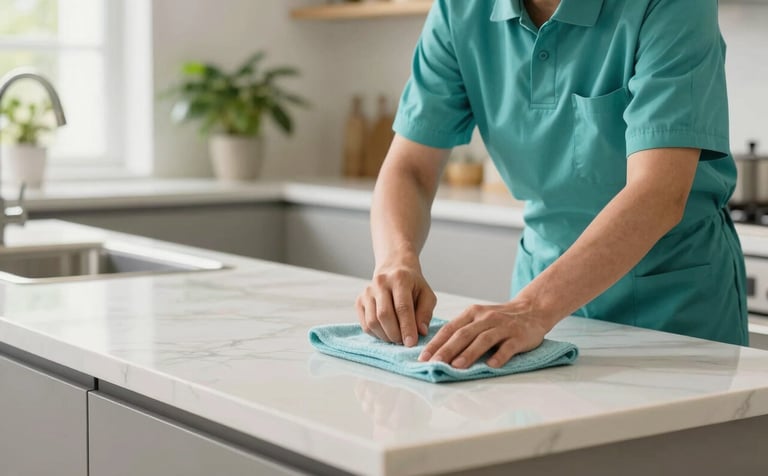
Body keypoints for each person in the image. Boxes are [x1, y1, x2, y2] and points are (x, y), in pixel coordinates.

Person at [355, 0, 748, 370]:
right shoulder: (460, 10)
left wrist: (532, 309)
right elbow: (410, 167)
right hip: (537, 298)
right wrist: (396, 259)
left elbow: (659, 192)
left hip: (673, 308)